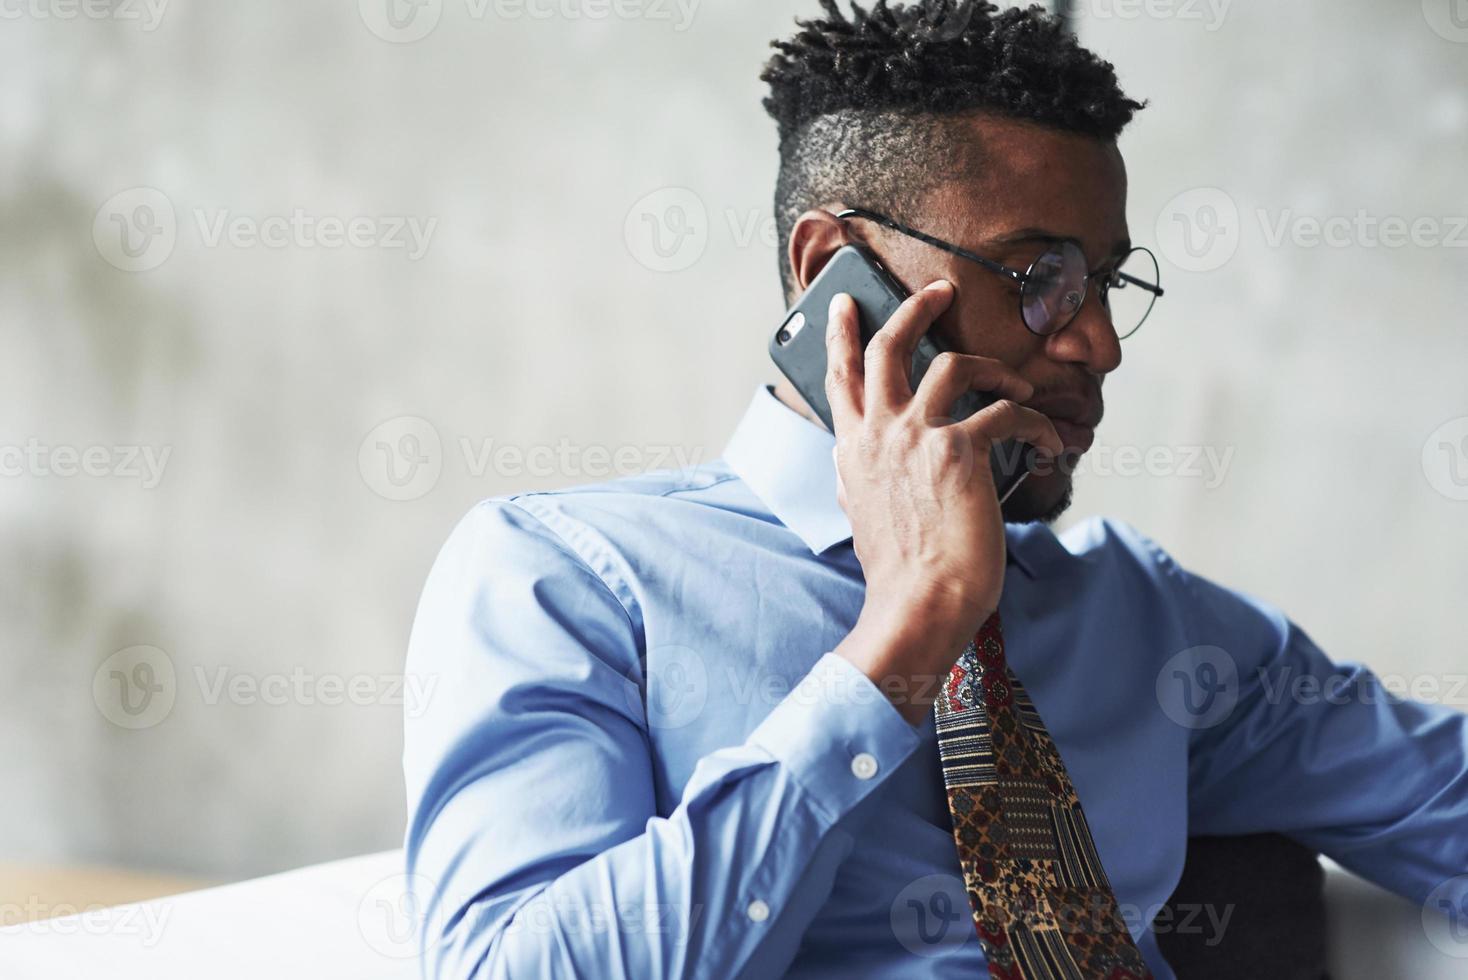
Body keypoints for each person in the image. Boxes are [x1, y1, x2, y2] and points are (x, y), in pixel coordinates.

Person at [402, 2, 1468, 977]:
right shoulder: (564, 577)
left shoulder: (1141, 616)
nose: (1096, 342)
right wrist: (907, 632)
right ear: (834, 267)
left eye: (1105, 283)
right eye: (1038, 278)